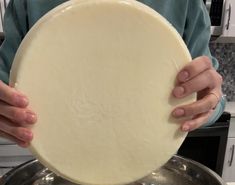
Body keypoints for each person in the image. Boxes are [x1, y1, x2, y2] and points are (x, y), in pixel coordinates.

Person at [0, 0, 224, 148]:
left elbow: (210, 94)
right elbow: (6, 82)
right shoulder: (28, 2)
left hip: (151, 166)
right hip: (55, 169)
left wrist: (208, 102)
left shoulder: (184, 3)